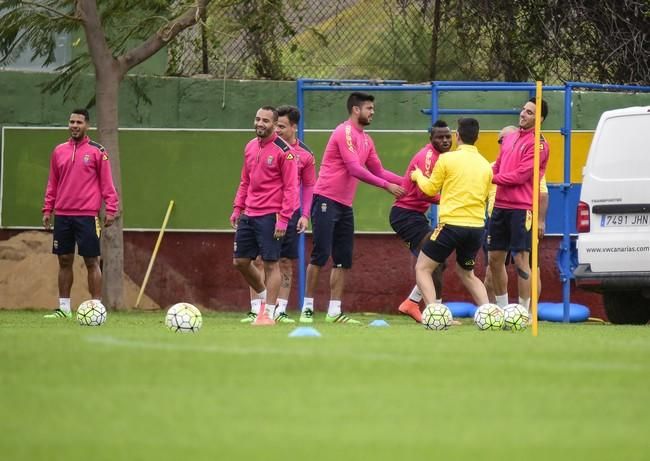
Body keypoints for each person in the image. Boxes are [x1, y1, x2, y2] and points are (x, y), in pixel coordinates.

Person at [300, 92, 405, 324]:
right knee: (320, 254)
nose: (372, 112)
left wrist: (407, 181)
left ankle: (334, 312)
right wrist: (387, 186)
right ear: (356, 110)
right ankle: (307, 307)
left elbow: (379, 170)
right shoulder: (344, 132)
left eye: (373, 109)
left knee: (343, 259)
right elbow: (354, 169)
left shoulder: (367, 140)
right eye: (369, 108)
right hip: (325, 199)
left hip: (345, 206)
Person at [241, 105, 316, 324]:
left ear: (294, 127)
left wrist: (305, 214)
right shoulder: (259, 147)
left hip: (289, 211)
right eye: (278, 125)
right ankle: (257, 308)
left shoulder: (304, 154)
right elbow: (247, 178)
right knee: (256, 259)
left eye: (282, 126)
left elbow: (309, 186)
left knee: (283, 261)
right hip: (263, 210)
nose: (279, 130)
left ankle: (279, 310)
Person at [42, 108, 119, 318]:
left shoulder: (97, 151)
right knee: (64, 260)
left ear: (87, 125)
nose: (75, 125)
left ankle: (96, 309)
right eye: (72, 122)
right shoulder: (59, 151)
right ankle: (64, 310)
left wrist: (111, 208)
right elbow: (53, 183)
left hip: (87, 216)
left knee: (91, 261)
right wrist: (48, 209)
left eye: (79, 122)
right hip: (63, 215)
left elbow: (107, 184)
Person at [411, 118, 492, 308]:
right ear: (477, 137)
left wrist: (418, 176)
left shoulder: (446, 159)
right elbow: (487, 195)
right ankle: (489, 313)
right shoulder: (486, 165)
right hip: (477, 228)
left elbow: (430, 189)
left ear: (457, 136)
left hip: (451, 226)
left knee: (422, 268)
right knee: (467, 274)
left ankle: (434, 312)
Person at [231, 106, 299, 326]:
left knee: (271, 263)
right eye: (258, 119)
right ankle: (262, 297)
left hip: (271, 215)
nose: (260, 123)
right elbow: (245, 180)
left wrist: (284, 219)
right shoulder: (250, 147)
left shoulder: (285, 151)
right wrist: (237, 207)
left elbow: (291, 188)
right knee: (240, 262)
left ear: (274, 124)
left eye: (266, 121)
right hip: (249, 213)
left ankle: (268, 313)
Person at [487, 98, 550, 311]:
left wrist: (490, 179)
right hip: (500, 207)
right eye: (523, 110)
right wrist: (490, 175)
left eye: (530, 112)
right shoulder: (509, 137)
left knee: (522, 261)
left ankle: (523, 312)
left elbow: (521, 175)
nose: (523, 114)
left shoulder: (540, 144)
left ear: (539, 118)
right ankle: (504, 310)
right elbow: (498, 166)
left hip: (521, 209)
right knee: (494, 258)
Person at [389, 120, 452, 322]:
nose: (444, 140)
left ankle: (411, 303)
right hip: (405, 215)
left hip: (415, 216)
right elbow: (423, 193)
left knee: (437, 260)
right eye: (440, 137)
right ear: (431, 139)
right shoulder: (427, 157)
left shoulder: (443, 158)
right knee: (435, 259)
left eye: (448, 136)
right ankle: (438, 314)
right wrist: (449, 199)